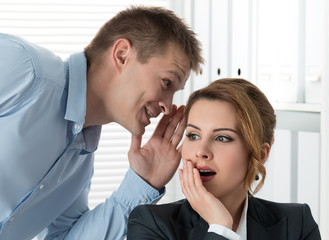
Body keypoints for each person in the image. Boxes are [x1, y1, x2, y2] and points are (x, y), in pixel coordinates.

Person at [0, 6, 203, 240]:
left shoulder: (77, 164)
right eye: (167, 82)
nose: (168, 106)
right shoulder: (24, 68)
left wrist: (143, 182)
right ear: (122, 55)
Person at [127, 78, 321, 240]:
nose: (201, 151)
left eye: (222, 138)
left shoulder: (297, 224)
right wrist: (220, 227)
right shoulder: (151, 224)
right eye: (193, 135)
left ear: (260, 154)